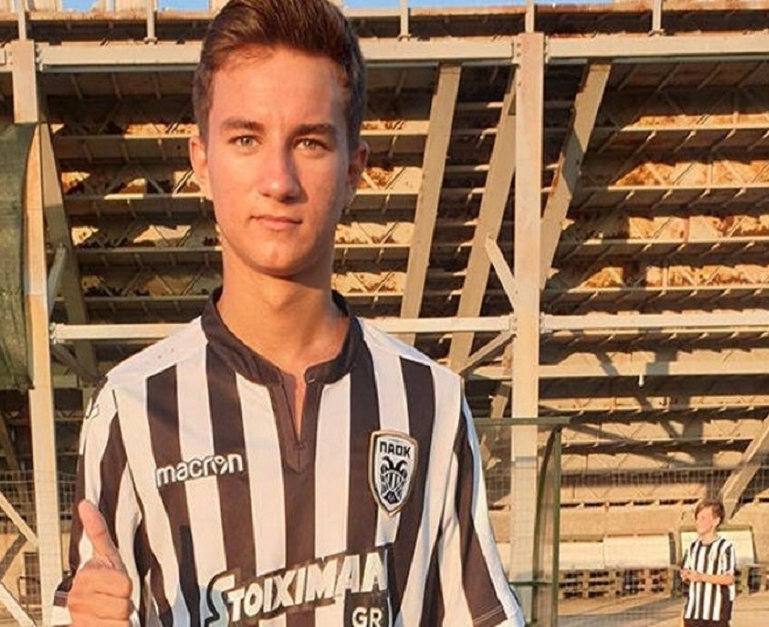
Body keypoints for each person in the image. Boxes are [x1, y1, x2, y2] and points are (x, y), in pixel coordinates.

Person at [52, 0, 524, 625]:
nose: (278, 180)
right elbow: (86, 600)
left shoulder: (429, 401)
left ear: (354, 169)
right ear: (202, 162)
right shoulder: (131, 406)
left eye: (309, 142)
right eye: (246, 139)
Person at [680, 499, 737, 627]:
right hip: (693, 612)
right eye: (697, 518)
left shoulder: (725, 547)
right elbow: (685, 573)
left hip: (716, 614)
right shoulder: (692, 547)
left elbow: (729, 578)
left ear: (716, 521)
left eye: (703, 518)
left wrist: (702, 577)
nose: (698, 522)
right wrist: (686, 575)